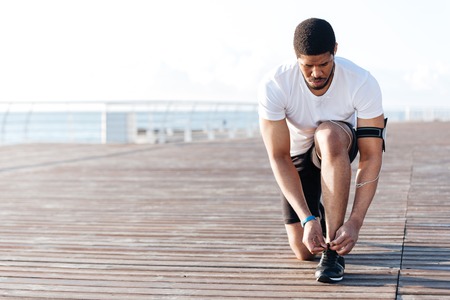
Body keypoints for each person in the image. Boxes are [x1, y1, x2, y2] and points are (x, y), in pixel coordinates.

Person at [257, 18, 386, 283]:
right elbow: (278, 156)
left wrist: (356, 222)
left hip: (338, 144)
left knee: (327, 135)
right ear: (297, 59)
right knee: (303, 251)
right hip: (297, 155)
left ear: (335, 50)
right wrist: (306, 218)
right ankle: (319, 210)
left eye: (323, 64)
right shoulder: (275, 84)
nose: (316, 73)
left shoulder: (362, 82)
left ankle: (333, 253)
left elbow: (371, 156)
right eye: (308, 66)